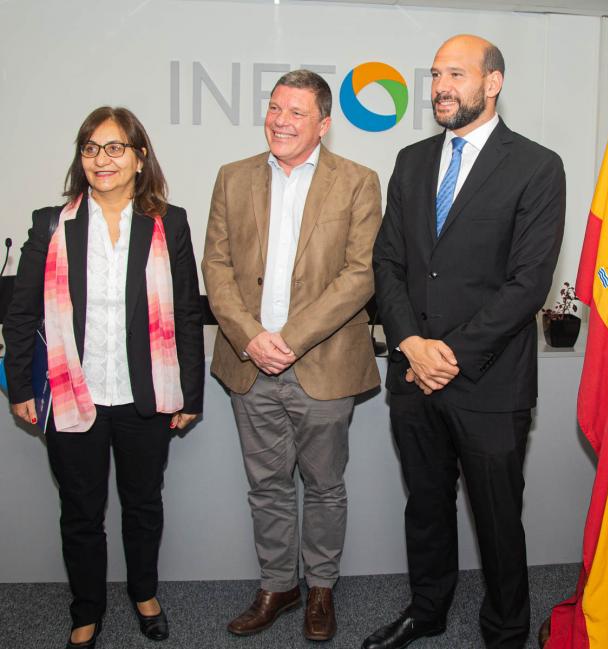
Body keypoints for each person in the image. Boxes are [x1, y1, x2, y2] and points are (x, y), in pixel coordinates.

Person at [367, 34, 566, 649]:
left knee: (498, 519)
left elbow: (528, 282)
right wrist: (410, 344)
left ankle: (505, 631)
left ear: (494, 82)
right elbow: (389, 264)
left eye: (456, 74)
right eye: (435, 76)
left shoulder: (537, 165)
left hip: (489, 380)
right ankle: (426, 611)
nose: (441, 88)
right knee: (425, 508)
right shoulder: (411, 160)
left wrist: (446, 354)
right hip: (414, 377)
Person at [4, 106, 204, 648]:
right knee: (81, 512)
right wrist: (20, 387)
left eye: (115, 147)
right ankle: (86, 608)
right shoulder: (50, 223)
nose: (102, 159)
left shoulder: (170, 222)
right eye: (91, 148)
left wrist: (190, 392)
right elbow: (22, 312)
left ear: (140, 157)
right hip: (73, 392)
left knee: (143, 505)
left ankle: (144, 593)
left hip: (146, 393)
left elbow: (185, 310)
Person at [202, 69, 381, 642]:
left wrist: (291, 339)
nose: (280, 119)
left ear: (324, 124)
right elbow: (217, 267)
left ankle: (320, 586)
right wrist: (250, 335)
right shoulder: (232, 178)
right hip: (248, 363)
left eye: (296, 112)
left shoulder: (357, 181)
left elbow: (360, 275)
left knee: (325, 485)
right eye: (275, 107)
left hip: (323, 365)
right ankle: (278, 585)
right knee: (267, 486)